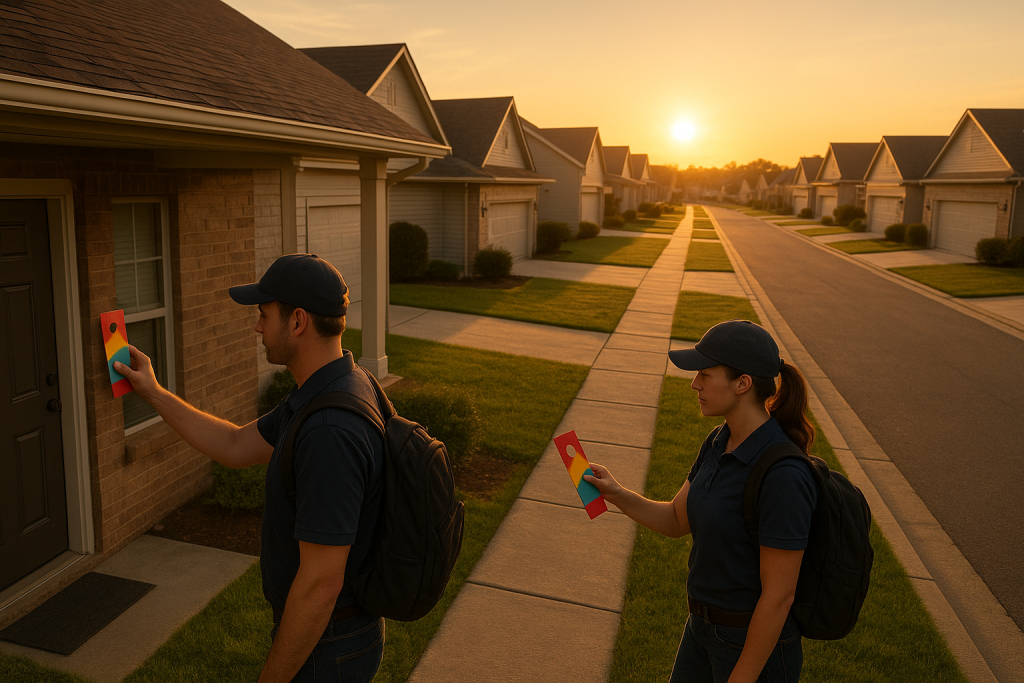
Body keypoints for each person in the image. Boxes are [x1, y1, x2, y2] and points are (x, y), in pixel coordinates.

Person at [114, 254, 385, 683]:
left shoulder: (329, 430)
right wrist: (153, 392)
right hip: (331, 637)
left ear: (297, 321)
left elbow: (320, 584)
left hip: (329, 644)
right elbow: (235, 444)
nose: (257, 327)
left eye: (263, 314)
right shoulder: (333, 387)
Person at [584, 320, 817, 683]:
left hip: (751, 644)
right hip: (702, 629)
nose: (695, 383)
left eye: (705, 375)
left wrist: (743, 677)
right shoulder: (718, 440)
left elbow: (779, 596)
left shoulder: (783, 474)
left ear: (743, 383)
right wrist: (615, 493)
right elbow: (678, 519)